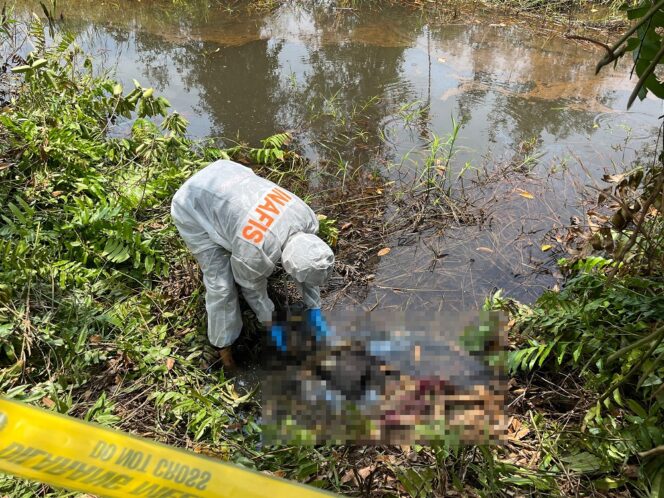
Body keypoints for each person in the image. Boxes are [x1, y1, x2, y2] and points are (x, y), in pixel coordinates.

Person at [171, 159, 335, 369]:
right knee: (221, 286)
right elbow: (253, 292)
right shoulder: (255, 253)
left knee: (241, 248)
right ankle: (224, 351)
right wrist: (272, 325)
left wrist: (314, 310)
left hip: (228, 172)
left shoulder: (307, 218)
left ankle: (230, 237)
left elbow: (310, 265)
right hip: (192, 203)